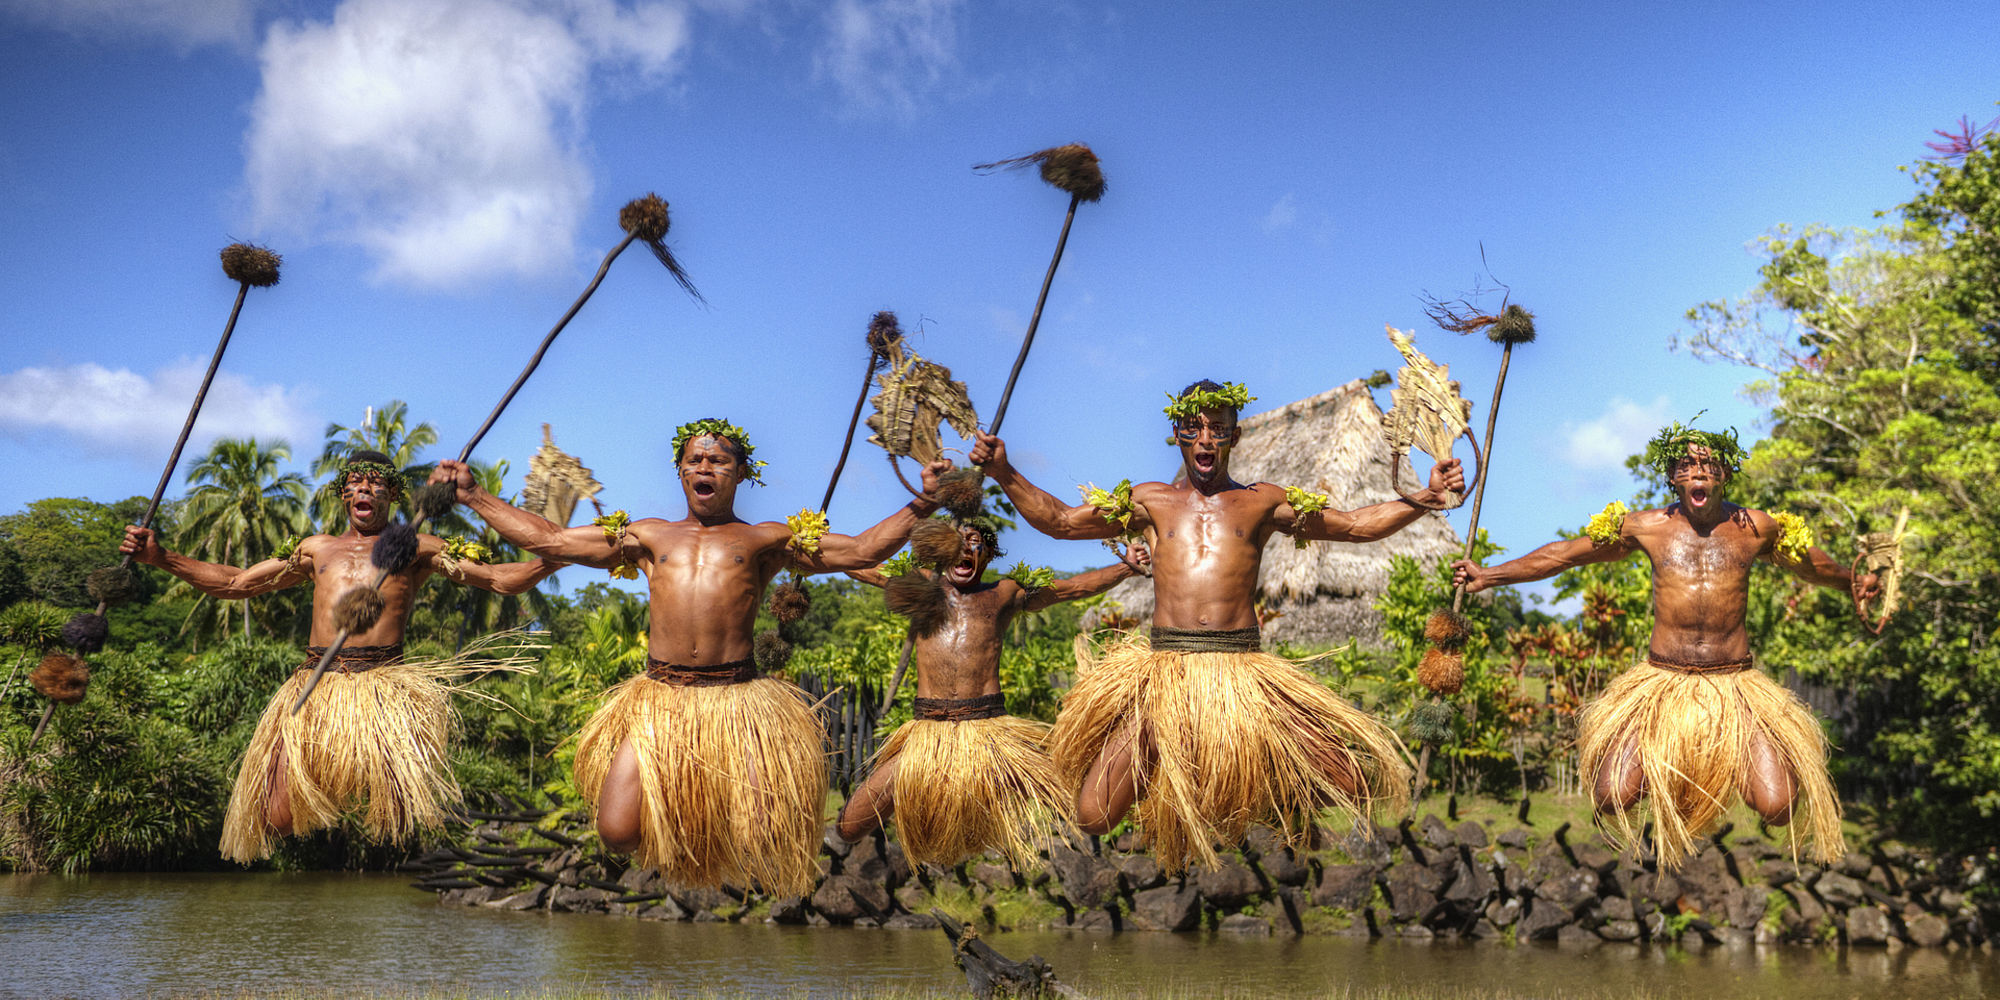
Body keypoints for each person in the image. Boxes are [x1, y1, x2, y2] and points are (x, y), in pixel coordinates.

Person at [431, 418, 948, 896]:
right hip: (662, 698)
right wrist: (474, 496)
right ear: (680, 471)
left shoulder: (767, 539)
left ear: (740, 473)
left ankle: (713, 848)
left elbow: (861, 551)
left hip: (737, 700)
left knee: (764, 830)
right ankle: (678, 831)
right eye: (695, 461)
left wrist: (923, 504)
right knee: (615, 831)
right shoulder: (645, 536)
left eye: (718, 461)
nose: (705, 468)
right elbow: (551, 539)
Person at [969, 380, 1464, 871]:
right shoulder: (1147, 501)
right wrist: (1003, 470)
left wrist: (1425, 496)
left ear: (1234, 437)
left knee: (1356, 780)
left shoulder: (1263, 501)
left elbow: (1356, 526)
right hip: (1166, 676)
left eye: (1218, 429)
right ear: (1178, 434)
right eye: (1193, 428)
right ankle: (1178, 779)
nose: (1206, 439)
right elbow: (1059, 521)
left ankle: (1258, 775)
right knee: (1094, 815)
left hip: (1242, 675)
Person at [1452, 421, 1878, 866]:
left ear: (1725, 474)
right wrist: (1491, 575)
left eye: (1709, 465)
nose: (1698, 473)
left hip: (1735, 684)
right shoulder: (1645, 528)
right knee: (1612, 796)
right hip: (1661, 683)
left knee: (1778, 806)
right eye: (1687, 465)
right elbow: (1563, 555)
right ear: (1672, 476)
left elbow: (1811, 566)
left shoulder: (1755, 528)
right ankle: (1672, 765)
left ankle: (1716, 760)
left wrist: (1853, 580)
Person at [121, 450, 561, 863]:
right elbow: (237, 584)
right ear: (344, 495)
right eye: (355, 483)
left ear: (392, 495)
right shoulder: (316, 548)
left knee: (398, 817)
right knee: (276, 818)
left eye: (375, 484)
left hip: (381, 689)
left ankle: (368, 811)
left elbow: (502, 580)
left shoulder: (419, 547)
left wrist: (555, 556)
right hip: (317, 684)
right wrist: (162, 558)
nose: (364, 490)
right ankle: (324, 808)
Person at [836, 518, 1148, 867]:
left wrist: (1125, 567)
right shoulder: (920, 586)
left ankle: (1140, 766)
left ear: (987, 554)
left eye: (974, 541)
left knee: (1084, 810)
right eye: (957, 541)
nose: (965, 547)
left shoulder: (1003, 593)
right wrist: (810, 544)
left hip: (990, 736)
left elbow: (1072, 587)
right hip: (927, 735)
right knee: (849, 827)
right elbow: (860, 564)